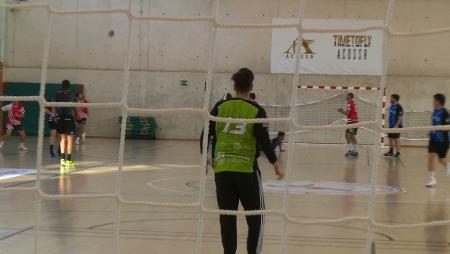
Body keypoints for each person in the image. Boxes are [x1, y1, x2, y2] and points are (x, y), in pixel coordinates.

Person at [202, 68, 283, 254]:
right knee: (257, 218)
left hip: (222, 170)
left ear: (234, 85)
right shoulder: (256, 110)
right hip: (246, 171)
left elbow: (206, 131)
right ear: (251, 86)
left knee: (227, 218)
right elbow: (263, 139)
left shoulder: (220, 106)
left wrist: (204, 156)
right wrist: (275, 163)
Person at [425, 94, 450, 187]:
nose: (433, 102)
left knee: (441, 159)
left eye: (434, 100)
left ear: (438, 101)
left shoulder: (446, 112)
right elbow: (433, 123)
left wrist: (439, 129)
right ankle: (432, 179)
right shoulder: (434, 111)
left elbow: (448, 128)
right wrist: (431, 130)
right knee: (431, 157)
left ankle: (447, 165)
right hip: (433, 139)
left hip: (443, 140)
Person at [52, 80, 79, 167]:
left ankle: (63, 160)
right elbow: (75, 107)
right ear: (69, 86)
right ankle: (69, 160)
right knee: (70, 139)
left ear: (62, 86)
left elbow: (53, 105)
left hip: (60, 118)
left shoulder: (57, 94)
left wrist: (55, 115)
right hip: (68, 118)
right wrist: (77, 116)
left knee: (62, 139)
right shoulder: (72, 95)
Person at [338, 93, 359, 158]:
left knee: (348, 136)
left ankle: (353, 151)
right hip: (353, 121)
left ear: (349, 96)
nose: (345, 96)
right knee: (351, 136)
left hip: (352, 122)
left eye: (346, 95)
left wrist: (341, 111)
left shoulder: (349, 103)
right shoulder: (352, 102)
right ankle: (353, 151)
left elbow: (347, 113)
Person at [384, 94, 403, 158]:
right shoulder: (391, 106)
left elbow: (400, 117)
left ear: (394, 99)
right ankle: (391, 151)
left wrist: (396, 125)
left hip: (396, 126)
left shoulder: (399, 107)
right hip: (391, 126)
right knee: (390, 138)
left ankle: (398, 153)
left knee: (396, 139)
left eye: (391, 98)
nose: (390, 99)